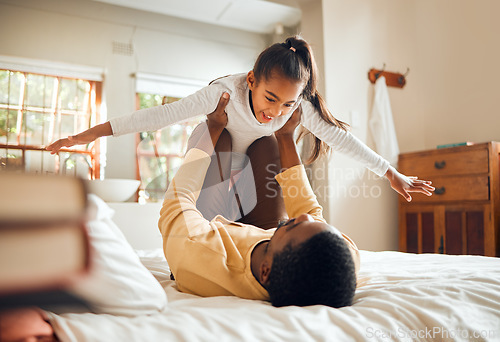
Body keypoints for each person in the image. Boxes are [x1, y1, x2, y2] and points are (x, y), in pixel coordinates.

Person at [46, 35, 434, 202]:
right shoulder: (225, 93)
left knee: (271, 141)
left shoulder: (296, 108)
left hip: (254, 168)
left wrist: (390, 173)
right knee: (221, 136)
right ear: (251, 80)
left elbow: (341, 139)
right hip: (215, 156)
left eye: (287, 103)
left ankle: (261, 234)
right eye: (270, 98)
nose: (275, 111)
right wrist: (90, 135)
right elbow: (159, 116)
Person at [159, 92, 359, 307]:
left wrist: (213, 128)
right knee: (267, 141)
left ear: (265, 271)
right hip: (264, 235)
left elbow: (178, 200)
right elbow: (309, 210)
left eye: (294, 226)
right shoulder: (339, 265)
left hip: (210, 231)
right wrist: (286, 137)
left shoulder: (199, 250)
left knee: (219, 138)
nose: (303, 216)